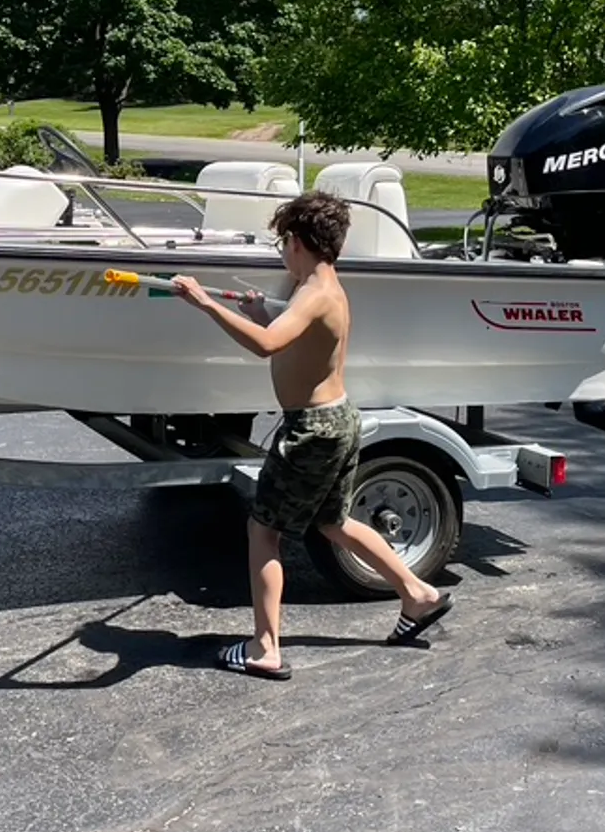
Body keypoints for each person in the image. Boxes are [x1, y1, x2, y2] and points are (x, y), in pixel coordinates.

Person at [171, 189, 453, 680]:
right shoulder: (325, 286)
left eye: (283, 241)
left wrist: (202, 303)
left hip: (313, 431)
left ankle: (265, 649)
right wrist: (264, 311)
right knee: (334, 521)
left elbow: (266, 346)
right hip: (338, 419)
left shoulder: (314, 293)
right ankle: (418, 595)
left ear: (298, 241)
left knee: (263, 531)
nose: (281, 250)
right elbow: (296, 341)